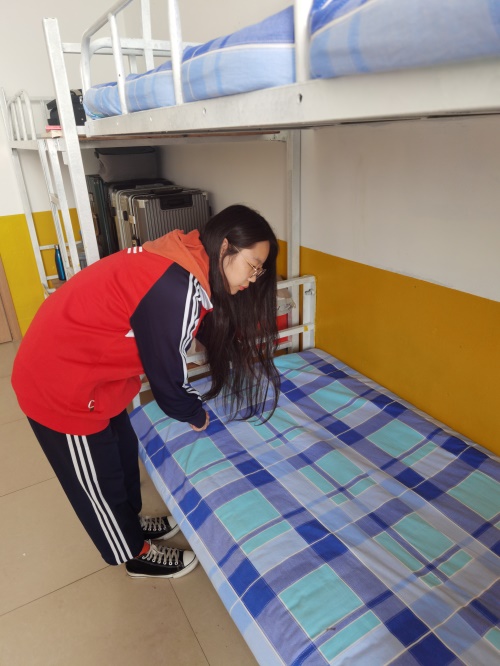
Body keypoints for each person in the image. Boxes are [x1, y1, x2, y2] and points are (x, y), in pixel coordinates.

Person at [12, 204, 280, 579]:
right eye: (253, 266)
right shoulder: (177, 285)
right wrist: (195, 414)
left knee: (121, 457)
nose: (253, 278)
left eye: (259, 271)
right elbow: (168, 382)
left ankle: (130, 523)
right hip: (60, 385)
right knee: (98, 482)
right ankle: (133, 553)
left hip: (97, 377)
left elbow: (192, 325)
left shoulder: (188, 256)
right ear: (225, 247)